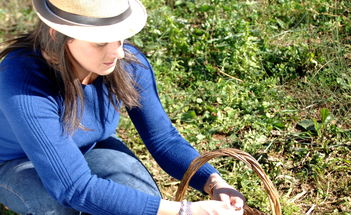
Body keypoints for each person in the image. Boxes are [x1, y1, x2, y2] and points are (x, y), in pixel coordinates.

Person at [0, 0, 245, 214]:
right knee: (64, 207)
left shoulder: (126, 63)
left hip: (93, 147)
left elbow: (163, 139)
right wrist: (184, 211)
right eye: (100, 42)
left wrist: (213, 182)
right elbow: (72, 187)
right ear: (57, 35)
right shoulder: (22, 82)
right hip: (18, 161)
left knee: (138, 194)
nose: (117, 52)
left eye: (120, 37)